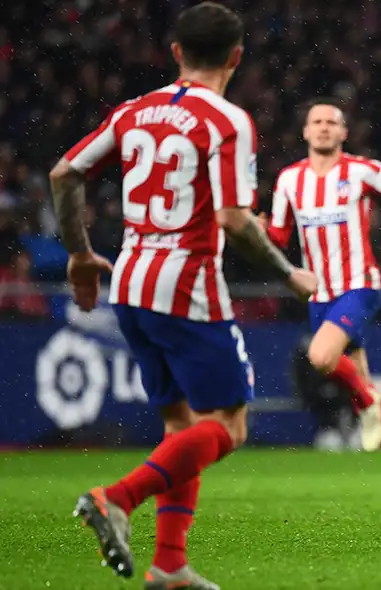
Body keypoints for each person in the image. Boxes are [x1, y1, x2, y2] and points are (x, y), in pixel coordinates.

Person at [49, 3, 317, 587]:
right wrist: (289, 271)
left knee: (181, 427)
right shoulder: (227, 121)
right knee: (231, 425)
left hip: (131, 281)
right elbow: (233, 220)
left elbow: (63, 174)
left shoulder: (132, 112)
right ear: (237, 57)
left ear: (175, 53)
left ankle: (169, 565)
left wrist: (78, 252)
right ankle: (117, 497)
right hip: (186, 287)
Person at [263, 98, 381, 497]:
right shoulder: (288, 181)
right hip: (319, 295)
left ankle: (369, 403)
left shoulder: (361, 171)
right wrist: (258, 229)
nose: (322, 127)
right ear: (305, 131)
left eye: (330, 122)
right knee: (358, 379)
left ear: (343, 133)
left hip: (359, 285)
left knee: (320, 357)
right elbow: (279, 239)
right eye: (315, 121)